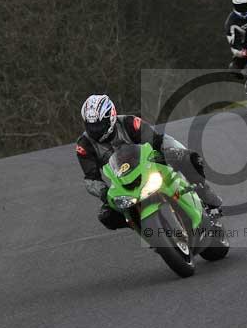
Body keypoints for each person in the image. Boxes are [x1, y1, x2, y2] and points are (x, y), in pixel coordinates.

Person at [75, 94, 223, 230]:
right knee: (106, 216)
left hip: (149, 161)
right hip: (122, 181)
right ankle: (139, 225)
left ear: (111, 116)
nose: (96, 130)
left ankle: (205, 197)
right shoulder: (84, 145)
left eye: (100, 124)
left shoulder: (130, 122)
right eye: (91, 125)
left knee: (189, 158)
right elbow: (91, 177)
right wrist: (104, 194)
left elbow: (156, 140)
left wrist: (164, 154)